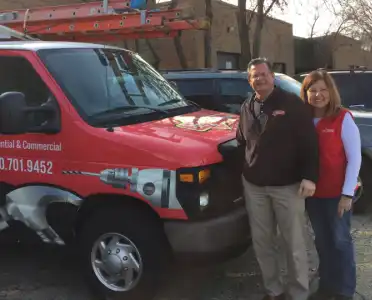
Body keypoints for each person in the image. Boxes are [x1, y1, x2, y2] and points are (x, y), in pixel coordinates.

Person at [236, 57, 319, 300]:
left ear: (272, 77)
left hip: (288, 186)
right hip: (254, 186)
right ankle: (274, 290)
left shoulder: (292, 103)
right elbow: (242, 140)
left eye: (263, 74)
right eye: (254, 76)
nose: (259, 79)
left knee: (293, 244)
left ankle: (299, 293)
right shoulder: (247, 106)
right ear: (249, 80)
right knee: (262, 243)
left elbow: (309, 143)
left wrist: (309, 177)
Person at [300, 70, 361, 300]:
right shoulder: (303, 119)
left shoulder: (342, 118)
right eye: (312, 90)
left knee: (340, 242)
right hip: (314, 195)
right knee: (323, 242)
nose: (318, 95)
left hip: (337, 194)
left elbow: (355, 158)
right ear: (305, 93)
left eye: (323, 90)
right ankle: (327, 286)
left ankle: (345, 290)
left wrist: (347, 194)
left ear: (331, 92)